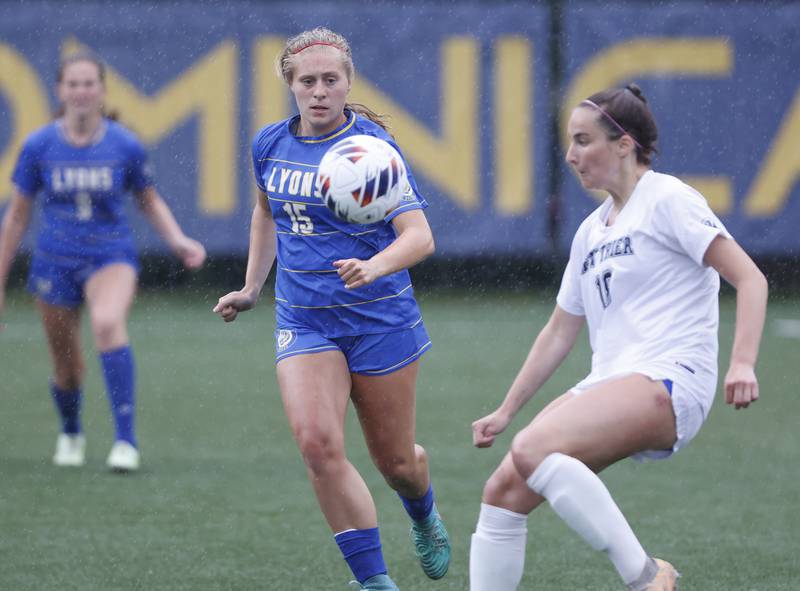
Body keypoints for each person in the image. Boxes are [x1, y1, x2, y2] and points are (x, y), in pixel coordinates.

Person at [468, 84, 768, 591]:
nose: (571, 155)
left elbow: (751, 279)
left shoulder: (668, 199)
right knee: (503, 491)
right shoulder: (590, 231)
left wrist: (742, 363)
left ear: (624, 144)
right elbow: (560, 330)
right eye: (570, 142)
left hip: (671, 379)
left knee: (533, 448)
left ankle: (648, 578)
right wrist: (506, 408)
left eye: (584, 140)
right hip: (610, 382)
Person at [213, 27, 450, 591]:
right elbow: (266, 214)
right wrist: (251, 287)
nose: (318, 91)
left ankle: (422, 510)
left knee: (396, 464)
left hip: (379, 320)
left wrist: (375, 266)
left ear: (348, 83)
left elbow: (419, 237)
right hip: (305, 320)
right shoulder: (269, 143)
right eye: (307, 81)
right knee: (318, 446)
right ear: (290, 85)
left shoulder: (372, 149)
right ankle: (373, 582)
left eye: (330, 80)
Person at [0, 51, 206, 472]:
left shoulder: (123, 144)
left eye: (88, 83)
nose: (81, 91)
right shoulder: (39, 145)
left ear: (102, 90)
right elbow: (17, 214)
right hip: (54, 262)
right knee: (68, 367)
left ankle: (125, 441)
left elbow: (148, 200)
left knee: (108, 323)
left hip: (110, 256)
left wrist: (178, 240)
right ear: (60, 90)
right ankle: (72, 431)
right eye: (72, 84)